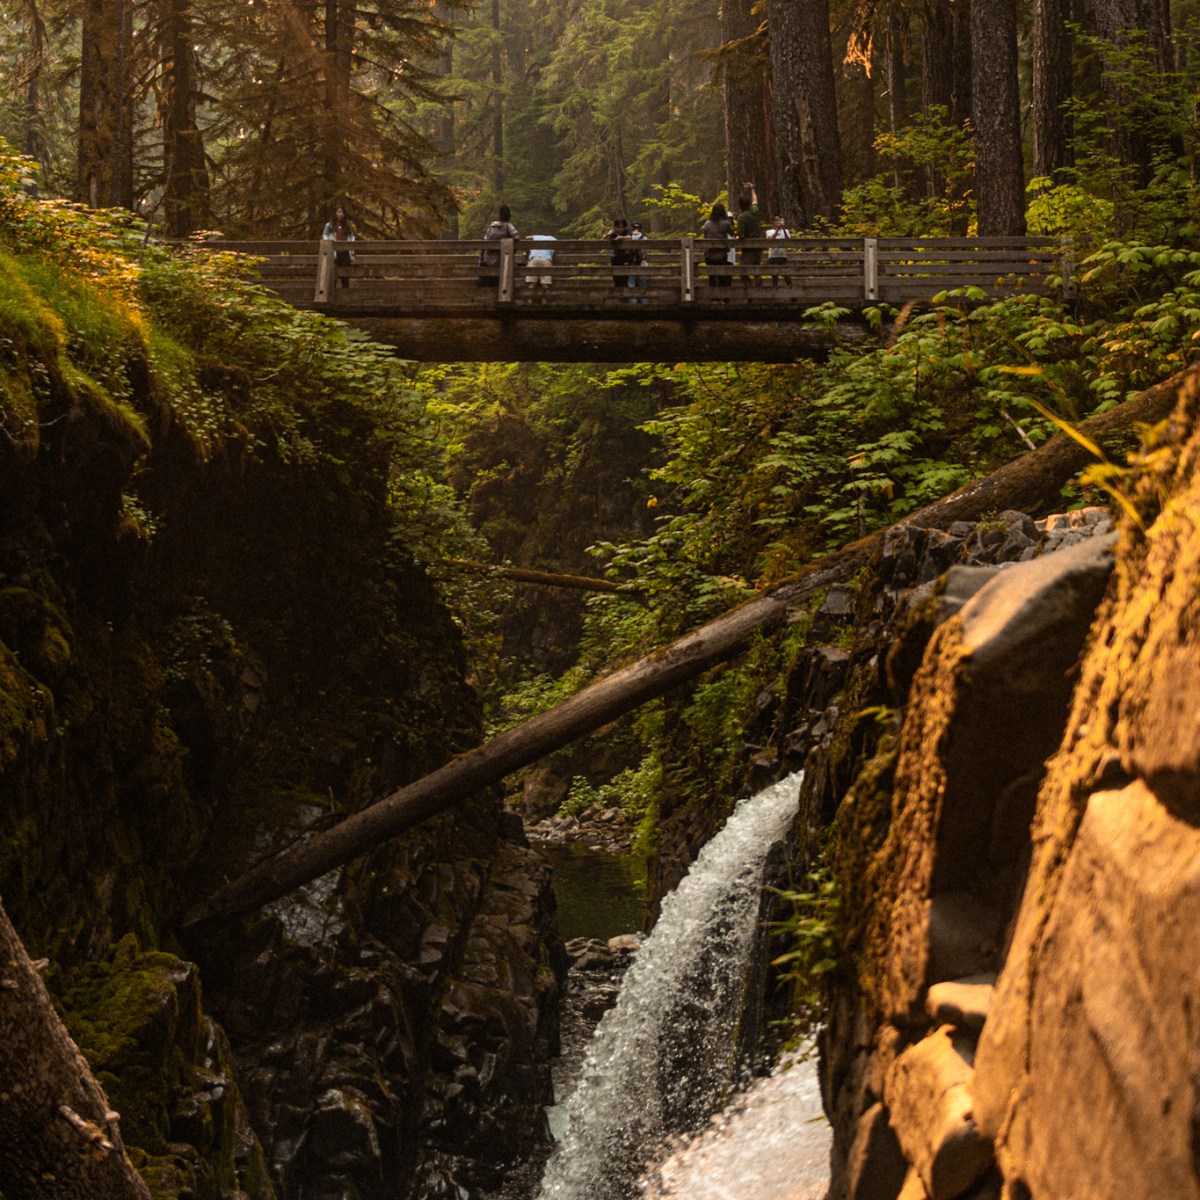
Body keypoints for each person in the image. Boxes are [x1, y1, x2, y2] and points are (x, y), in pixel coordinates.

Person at [479, 204, 520, 287]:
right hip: (501, 259)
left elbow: (485, 238)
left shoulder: (492, 225)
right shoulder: (508, 226)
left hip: (488, 257)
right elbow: (517, 237)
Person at [701, 202, 735, 290]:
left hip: (709, 255)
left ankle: (713, 298)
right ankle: (723, 298)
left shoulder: (707, 224)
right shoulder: (725, 223)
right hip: (721, 255)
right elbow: (732, 233)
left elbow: (705, 236)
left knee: (712, 277)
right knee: (723, 277)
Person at [322, 203, 356, 287]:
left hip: (345, 253)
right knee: (333, 276)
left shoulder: (347, 225)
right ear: (335, 213)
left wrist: (352, 253)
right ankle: (333, 296)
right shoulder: (329, 225)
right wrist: (329, 242)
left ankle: (345, 295)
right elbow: (324, 235)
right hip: (334, 253)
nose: (340, 214)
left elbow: (352, 237)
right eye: (339, 212)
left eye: (342, 212)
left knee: (345, 276)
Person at [736, 184, 762, 286]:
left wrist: (738, 237)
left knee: (742, 271)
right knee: (757, 270)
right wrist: (752, 189)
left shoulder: (742, 217)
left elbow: (741, 234)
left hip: (748, 248)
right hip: (758, 246)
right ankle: (760, 293)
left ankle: (751, 290)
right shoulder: (754, 211)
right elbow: (755, 201)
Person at [604, 217, 632, 289]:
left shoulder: (627, 231)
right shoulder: (613, 232)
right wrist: (608, 234)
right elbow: (602, 240)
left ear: (624, 227)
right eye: (617, 227)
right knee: (616, 278)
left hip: (625, 258)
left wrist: (621, 237)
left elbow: (629, 237)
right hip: (615, 257)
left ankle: (625, 296)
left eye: (621, 227)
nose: (619, 229)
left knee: (625, 278)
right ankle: (619, 295)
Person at [766, 215, 791, 287]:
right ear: (773, 222)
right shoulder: (769, 231)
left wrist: (783, 229)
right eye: (776, 220)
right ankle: (774, 293)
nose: (778, 222)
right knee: (774, 277)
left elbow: (788, 240)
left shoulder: (785, 231)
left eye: (779, 220)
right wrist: (777, 229)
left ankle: (792, 295)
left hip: (782, 256)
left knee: (786, 276)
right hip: (773, 256)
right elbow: (771, 240)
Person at [628, 221, 649, 303]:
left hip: (631, 263)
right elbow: (646, 252)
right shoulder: (644, 237)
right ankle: (644, 302)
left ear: (632, 228)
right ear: (640, 229)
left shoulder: (629, 237)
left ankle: (633, 302)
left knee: (631, 283)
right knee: (643, 284)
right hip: (642, 263)